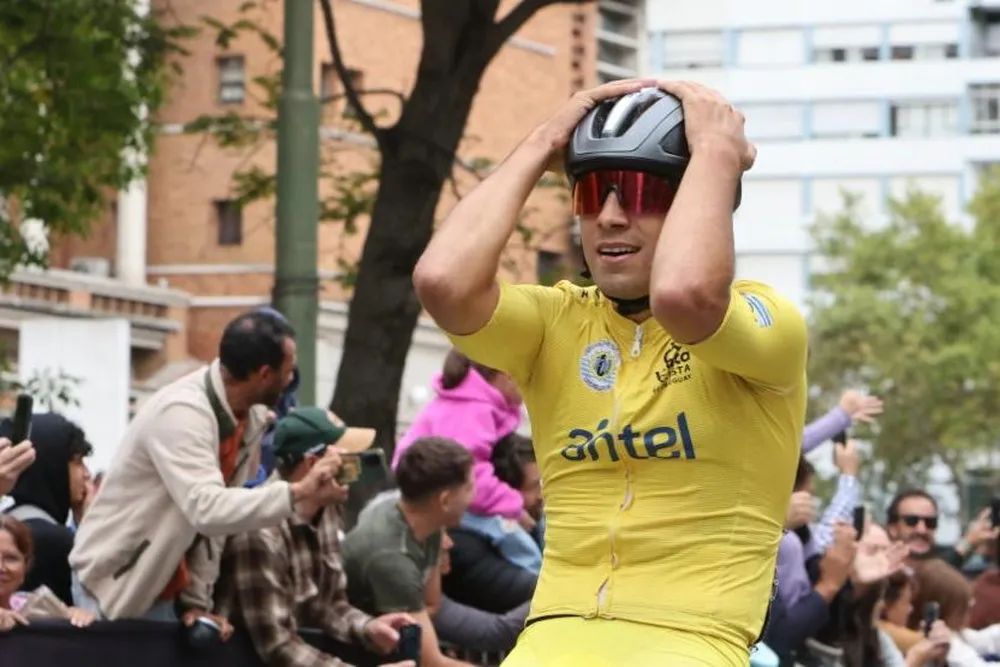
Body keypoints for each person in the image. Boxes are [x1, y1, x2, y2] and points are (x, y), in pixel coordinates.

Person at [414, 78, 807, 666]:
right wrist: (543, 143)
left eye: (642, 192)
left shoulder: (767, 321)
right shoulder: (555, 321)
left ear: (699, 199)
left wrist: (716, 152)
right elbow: (442, 282)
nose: (611, 218)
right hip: (551, 636)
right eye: (592, 194)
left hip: (691, 641)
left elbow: (686, 296)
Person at [69, 310, 342, 624]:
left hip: (165, 587)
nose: (291, 379)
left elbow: (217, 525)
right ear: (265, 374)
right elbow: (209, 509)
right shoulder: (182, 413)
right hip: (115, 582)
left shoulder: (250, 417)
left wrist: (196, 602)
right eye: (288, 370)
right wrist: (299, 491)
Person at [215, 407, 414, 667]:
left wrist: (367, 628)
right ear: (312, 465)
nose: (354, 470)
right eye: (346, 460)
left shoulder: (326, 507)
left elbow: (326, 604)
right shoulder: (259, 532)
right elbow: (277, 645)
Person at [343, 437, 478, 667]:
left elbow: (432, 604)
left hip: (397, 629)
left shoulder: (426, 519)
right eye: (469, 488)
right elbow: (432, 663)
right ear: (445, 500)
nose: (475, 496)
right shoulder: (393, 558)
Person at [2, 413, 93, 605]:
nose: (86, 474)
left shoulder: (9, 523)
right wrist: (91, 526)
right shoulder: (54, 541)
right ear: (53, 466)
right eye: (77, 463)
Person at [0, 516, 94, 632]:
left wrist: (77, 618)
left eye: (11, 558)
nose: (1, 567)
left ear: (26, 565)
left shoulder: (41, 607)